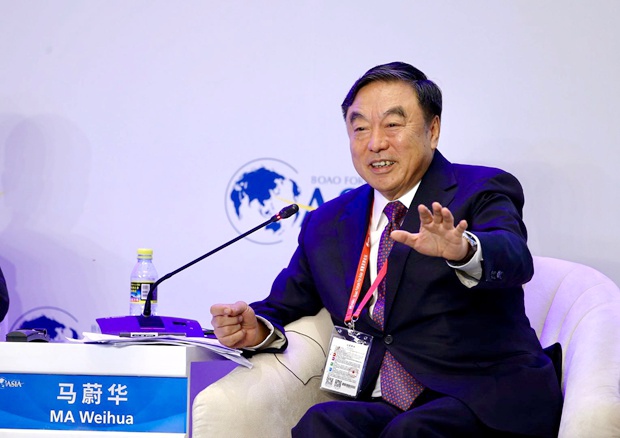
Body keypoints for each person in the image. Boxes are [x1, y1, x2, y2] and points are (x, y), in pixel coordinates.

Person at [210, 62, 562, 437]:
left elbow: (513, 257)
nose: (375, 142)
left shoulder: (480, 188)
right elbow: (283, 304)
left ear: (433, 130)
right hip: (386, 401)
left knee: (412, 432)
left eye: (392, 124)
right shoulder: (328, 222)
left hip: (483, 393)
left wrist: (463, 249)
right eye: (360, 128)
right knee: (320, 424)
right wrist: (255, 329)